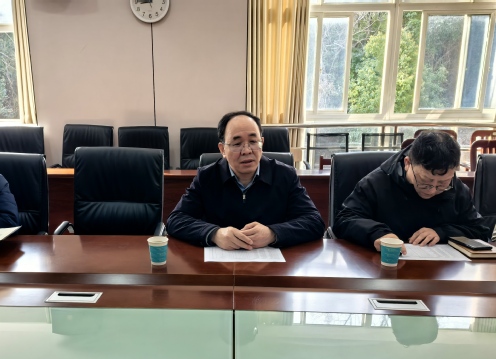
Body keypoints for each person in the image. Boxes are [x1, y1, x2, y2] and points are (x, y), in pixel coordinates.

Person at [167, 111, 324, 249]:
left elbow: (314, 222)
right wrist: (214, 234)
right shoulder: (207, 177)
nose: (247, 150)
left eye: (253, 142)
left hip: (271, 264)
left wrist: (273, 233)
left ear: (262, 143)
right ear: (222, 149)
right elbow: (176, 220)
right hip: (221, 263)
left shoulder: (284, 175)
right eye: (237, 144)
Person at [334, 130, 490, 251]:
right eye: (425, 182)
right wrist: (378, 233)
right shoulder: (376, 183)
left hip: (438, 270)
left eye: (442, 184)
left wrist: (443, 232)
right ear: (407, 163)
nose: (432, 191)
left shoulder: (457, 189)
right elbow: (344, 220)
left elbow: (479, 230)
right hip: (384, 266)